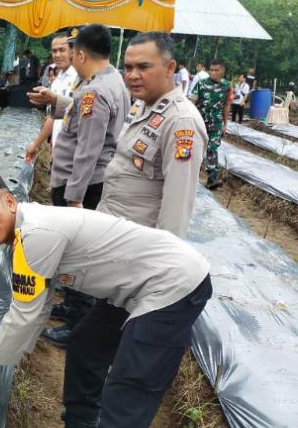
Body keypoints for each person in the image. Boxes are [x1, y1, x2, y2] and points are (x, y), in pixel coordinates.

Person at [0, 173, 212, 428]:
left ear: (9, 201)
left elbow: (24, 314)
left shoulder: (36, 234)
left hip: (172, 284)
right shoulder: (25, 234)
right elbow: (38, 307)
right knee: (85, 346)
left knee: (128, 390)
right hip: (134, 285)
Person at [24, 24, 130, 347]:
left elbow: (87, 150)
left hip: (81, 184)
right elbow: (78, 112)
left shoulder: (94, 91)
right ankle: (71, 305)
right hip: (88, 182)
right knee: (77, 250)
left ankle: (78, 321)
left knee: (78, 252)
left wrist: (73, 198)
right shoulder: (111, 80)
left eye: (72, 53)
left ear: (81, 54)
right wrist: (55, 100)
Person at [100, 32, 208, 235]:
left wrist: (161, 254)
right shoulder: (141, 105)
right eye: (128, 67)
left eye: (143, 67)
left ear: (170, 68)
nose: (133, 75)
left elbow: (176, 212)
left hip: (135, 243)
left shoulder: (181, 121)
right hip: (109, 229)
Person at [25, 29, 80, 155]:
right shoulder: (56, 80)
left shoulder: (81, 78)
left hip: (74, 151)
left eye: (62, 50)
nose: (57, 55)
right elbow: (52, 117)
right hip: (57, 148)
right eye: (54, 51)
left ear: (72, 51)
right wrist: (35, 145)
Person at [190, 58, 230, 189]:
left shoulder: (226, 86)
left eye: (216, 70)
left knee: (212, 149)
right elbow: (192, 102)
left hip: (216, 123)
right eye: (211, 70)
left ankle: (212, 179)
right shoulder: (201, 84)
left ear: (222, 70)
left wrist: (225, 125)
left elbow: (226, 106)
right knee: (195, 148)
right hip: (199, 122)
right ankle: (190, 176)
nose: (213, 73)